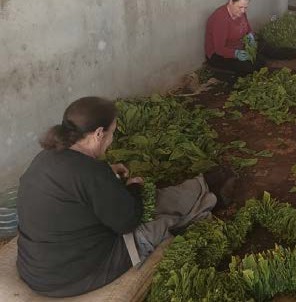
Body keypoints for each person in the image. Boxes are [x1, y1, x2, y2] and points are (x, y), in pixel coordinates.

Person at [16, 97, 223, 297]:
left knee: (159, 202)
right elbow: (128, 222)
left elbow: (77, 182)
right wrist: (134, 187)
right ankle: (208, 194)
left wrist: (107, 173)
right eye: (112, 132)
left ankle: (201, 189)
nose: (112, 140)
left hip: (37, 270)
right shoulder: (92, 173)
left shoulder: (45, 158)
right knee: (162, 221)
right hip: (77, 276)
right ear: (99, 133)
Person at [205, 0, 265, 74]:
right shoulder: (220, 18)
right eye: (240, 7)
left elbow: (248, 29)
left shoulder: (241, 13)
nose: (243, 11)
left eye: (245, 7)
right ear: (231, 2)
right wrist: (235, 54)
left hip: (238, 46)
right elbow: (219, 49)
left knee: (261, 60)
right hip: (219, 55)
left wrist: (250, 36)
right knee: (249, 68)